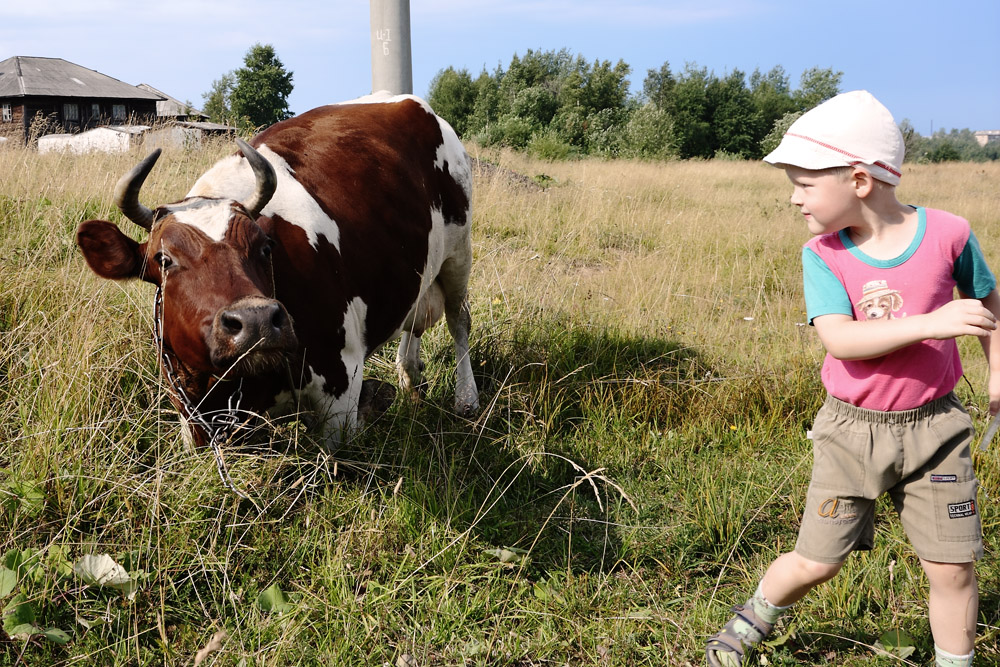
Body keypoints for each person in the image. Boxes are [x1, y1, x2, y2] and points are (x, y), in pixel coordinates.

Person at [705, 90, 1000, 667]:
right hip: (850, 433)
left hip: (937, 431)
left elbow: (987, 302)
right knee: (818, 561)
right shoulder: (823, 255)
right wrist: (933, 322)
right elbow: (840, 339)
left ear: (860, 180)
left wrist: (997, 374)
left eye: (805, 184)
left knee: (954, 569)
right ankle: (749, 623)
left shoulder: (950, 234)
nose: (795, 198)